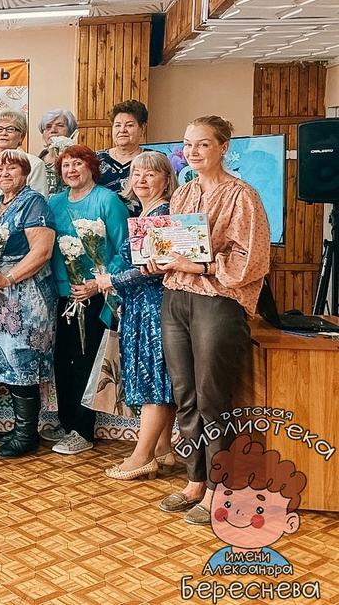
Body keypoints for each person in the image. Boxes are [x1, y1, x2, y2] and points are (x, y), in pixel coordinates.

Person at [152, 116, 270, 526]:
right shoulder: (183, 193)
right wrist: (158, 257)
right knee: (185, 395)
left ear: (223, 147)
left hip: (218, 302)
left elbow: (253, 260)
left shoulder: (242, 196)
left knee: (212, 398)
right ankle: (195, 481)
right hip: (176, 298)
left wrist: (200, 266)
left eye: (203, 144)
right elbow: (173, 245)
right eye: (188, 144)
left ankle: (222, 490)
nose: (193, 152)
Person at [96, 152, 178, 479]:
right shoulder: (145, 212)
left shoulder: (162, 213)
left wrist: (111, 281)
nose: (141, 180)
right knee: (158, 380)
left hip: (153, 308)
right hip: (142, 306)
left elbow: (153, 269)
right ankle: (163, 449)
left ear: (166, 180)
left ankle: (142, 456)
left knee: (153, 380)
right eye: (137, 174)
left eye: (151, 174)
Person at [46, 145, 129, 456]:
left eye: (77, 164)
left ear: (91, 167)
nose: (71, 170)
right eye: (65, 165)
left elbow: (124, 249)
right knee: (61, 362)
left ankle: (83, 430)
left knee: (86, 362)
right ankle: (67, 422)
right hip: (63, 295)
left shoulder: (108, 200)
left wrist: (98, 283)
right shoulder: (54, 202)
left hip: (97, 295)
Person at [0, 150, 57, 459]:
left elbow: (42, 251)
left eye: (12, 168)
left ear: (25, 173)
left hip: (27, 293)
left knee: (23, 360)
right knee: (9, 363)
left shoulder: (33, 202)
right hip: (0, 295)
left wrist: (8, 277)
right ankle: (20, 427)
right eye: (0, 169)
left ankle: (27, 434)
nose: (5, 174)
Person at [0, 110, 48, 206]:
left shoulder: (34, 164)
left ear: (21, 136)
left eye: (10, 129)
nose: (4, 133)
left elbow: (38, 204)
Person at [97, 100, 149, 215]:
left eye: (129, 125)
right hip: (101, 223)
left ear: (142, 128)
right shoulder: (96, 159)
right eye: (117, 125)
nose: (122, 130)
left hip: (143, 223)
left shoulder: (153, 159)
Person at [38, 109, 79, 195]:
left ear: (71, 131)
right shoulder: (36, 162)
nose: (53, 130)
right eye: (48, 127)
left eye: (60, 125)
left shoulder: (80, 161)